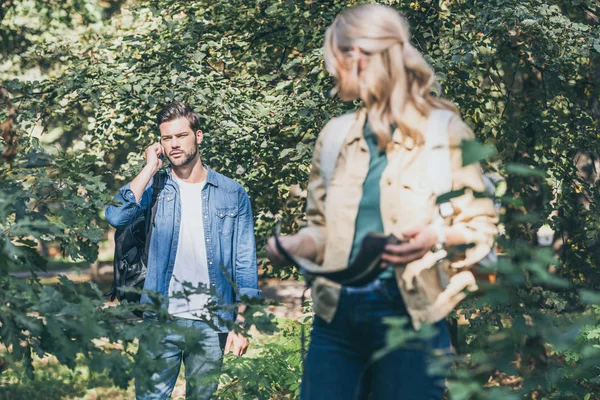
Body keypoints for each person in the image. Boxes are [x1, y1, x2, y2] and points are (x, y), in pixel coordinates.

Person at [266, 4, 498, 400]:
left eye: (333, 59)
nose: (331, 70)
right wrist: (293, 246)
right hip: (334, 317)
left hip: (412, 320)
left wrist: (434, 235)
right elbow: (320, 230)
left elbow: (483, 229)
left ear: (355, 57)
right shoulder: (335, 136)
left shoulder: (447, 132)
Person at [105, 102, 260, 400]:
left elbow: (245, 264)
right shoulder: (154, 188)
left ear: (198, 136)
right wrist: (150, 167)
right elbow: (116, 215)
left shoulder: (232, 193)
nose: (174, 144)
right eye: (166, 138)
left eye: (181, 135)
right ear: (160, 144)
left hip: (212, 326)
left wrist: (241, 323)